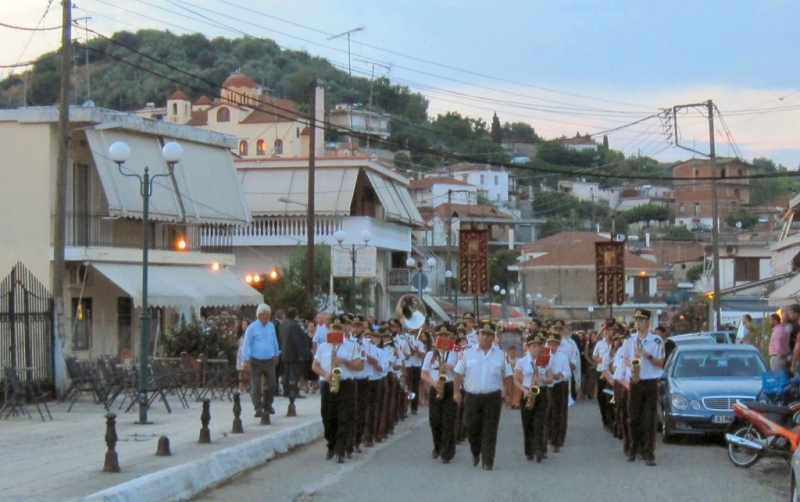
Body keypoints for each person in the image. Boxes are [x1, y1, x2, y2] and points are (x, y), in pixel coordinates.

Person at [454, 322, 511, 471]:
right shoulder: (468, 353)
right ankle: (475, 451)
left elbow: (508, 375)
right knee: (471, 426)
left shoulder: (501, 354)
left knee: (490, 429)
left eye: (488, 335)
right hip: (472, 396)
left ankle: (488, 460)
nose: (485, 337)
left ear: (493, 337)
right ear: (478, 336)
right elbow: (458, 373)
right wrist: (456, 391)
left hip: (492, 397)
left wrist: (509, 394)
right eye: (482, 334)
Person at [312, 316, 365, 463]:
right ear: (330, 329)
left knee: (345, 417)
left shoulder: (352, 346)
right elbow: (315, 365)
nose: (336, 330)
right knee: (327, 416)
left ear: (344, 330)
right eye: (333, 328)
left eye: (339, 328)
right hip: (328, 383)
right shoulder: (323, 346)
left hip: (346, 384)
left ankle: (341, 449)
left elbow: (359, 366)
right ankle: (332, 444)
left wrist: (344, 361)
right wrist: (325, 374)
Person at [621, 309, 664, 467]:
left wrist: (647, 355)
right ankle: (633, 448)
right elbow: (624, 358)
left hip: (650, 381)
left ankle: (648, 453)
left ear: (647, 322)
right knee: (633, 417)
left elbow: (661, 363)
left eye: (641, 320)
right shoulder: (629, 339)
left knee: (649, 420)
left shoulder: (657, 341)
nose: (638, 322)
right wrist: (631, 364)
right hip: (635, 380)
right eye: (636, 319)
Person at [421, 325, 459, 464]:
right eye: (440, 336)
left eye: (446, 336)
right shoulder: (430, 355)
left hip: (450, 386)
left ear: (450, 338)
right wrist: (433, 383)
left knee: (448, 421)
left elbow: (461, 374)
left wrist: (452, 367)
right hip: (435, 387)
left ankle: (447, 452)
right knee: (435, 421)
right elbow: (423, 374)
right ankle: (437, 446)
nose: (443, 339)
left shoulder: (455, 354)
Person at [514, 333, 553, 462]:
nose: (536, 348)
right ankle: (529, 450)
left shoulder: (545, 360)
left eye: (538, 346)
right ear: (528, 348)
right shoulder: (522, 361)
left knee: (540, 422)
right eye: (534, 346)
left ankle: (540, 449)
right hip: (527, 392)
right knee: (527, 422)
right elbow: (515, 380)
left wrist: (544, 379)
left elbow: (550, 378)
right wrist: (524, 390)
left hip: (541, 392)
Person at [242, 304, 281, 418]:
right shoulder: (252, 328)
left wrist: (276, 354)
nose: (268, 317)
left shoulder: (271, 326)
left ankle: (268, 405)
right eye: (266, 315)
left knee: (272, 384)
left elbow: (274, 341)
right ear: (259, 315)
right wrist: (245, 360)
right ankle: (258, 407)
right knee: (256, 386)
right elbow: (246, 344)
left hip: (269, 360)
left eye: (269, 315)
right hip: (256, 360)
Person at [545, 332, 571, 452]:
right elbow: (539, 370)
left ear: (558, 345)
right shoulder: (543, 355)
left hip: (559, 385)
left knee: (558, 412)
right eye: (550, 344)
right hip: (547, 385)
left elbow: (568, 373)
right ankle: (547, 437)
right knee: (547, 412)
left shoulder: (563, 357)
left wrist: (560, 375)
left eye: (554, 344)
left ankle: (557, 439)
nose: (551, 347)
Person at [304, 319, 318, 393]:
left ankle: (313, 387)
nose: (311, 327)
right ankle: (306, 387)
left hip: (315, 355)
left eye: (312, 326)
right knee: (306, 371)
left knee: (314, 372)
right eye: (309, 326)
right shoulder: (304, 335)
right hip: (307, 355)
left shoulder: (316, 335)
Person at [236, 319, 250, 393]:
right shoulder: (240, 334)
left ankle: (246, 385)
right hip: (240, 354)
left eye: (245, 324)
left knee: (246, 370)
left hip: (246, 353)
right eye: (243, 324)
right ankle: (240, 386)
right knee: (240, 370)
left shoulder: (248, 334)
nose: (244, 326)